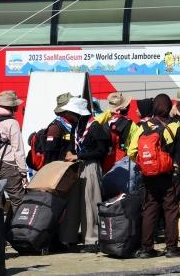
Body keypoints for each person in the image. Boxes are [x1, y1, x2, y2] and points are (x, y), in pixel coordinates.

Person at [129, 94, 180, 259]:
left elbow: (132, 151)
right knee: (170, 210)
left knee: (150, 209)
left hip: (149, 176)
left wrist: (145, 164)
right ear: (168, 107)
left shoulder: (143, 126)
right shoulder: (174, 126)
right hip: (169, 176)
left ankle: (146, 248)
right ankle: (171, 248)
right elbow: (179, 154)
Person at [60, 97, 109, 252]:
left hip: (91, 167)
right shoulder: (76, 126)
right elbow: (72, 145)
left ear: (76, 112)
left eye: (69, 111)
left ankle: (92, 239)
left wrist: (79, 156)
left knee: (91, 202)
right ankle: (69, 237)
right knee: (73, 202)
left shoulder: (95, 127)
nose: (66, 114)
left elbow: (101, 151)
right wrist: (69, 151)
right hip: (77, 167)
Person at [0, 90, 28, 212]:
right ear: (13, 106)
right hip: (8, 165)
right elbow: (18, 149)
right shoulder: (12, 122)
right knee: (19, 200)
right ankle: (19, 229)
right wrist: (23, 172)